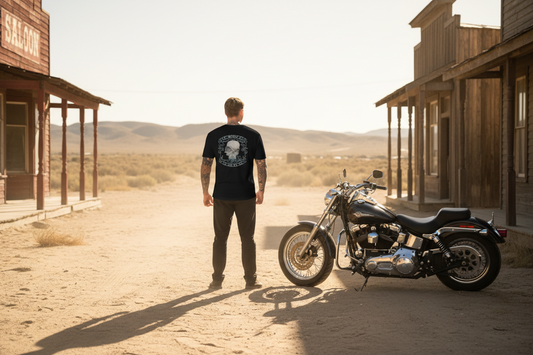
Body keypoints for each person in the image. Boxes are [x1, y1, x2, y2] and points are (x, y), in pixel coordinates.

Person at [201, 97, 267, 290]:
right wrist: (261, 190)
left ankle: (216, 281)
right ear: (241, 112)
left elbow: (206, 165)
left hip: (221, 195)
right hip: (246, 195)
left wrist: (205, 192)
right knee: (248, 238)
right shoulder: (253, 135)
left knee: (219, 238)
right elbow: (261, 165)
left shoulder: (213, 135)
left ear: (225, 112)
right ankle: (250, 280)